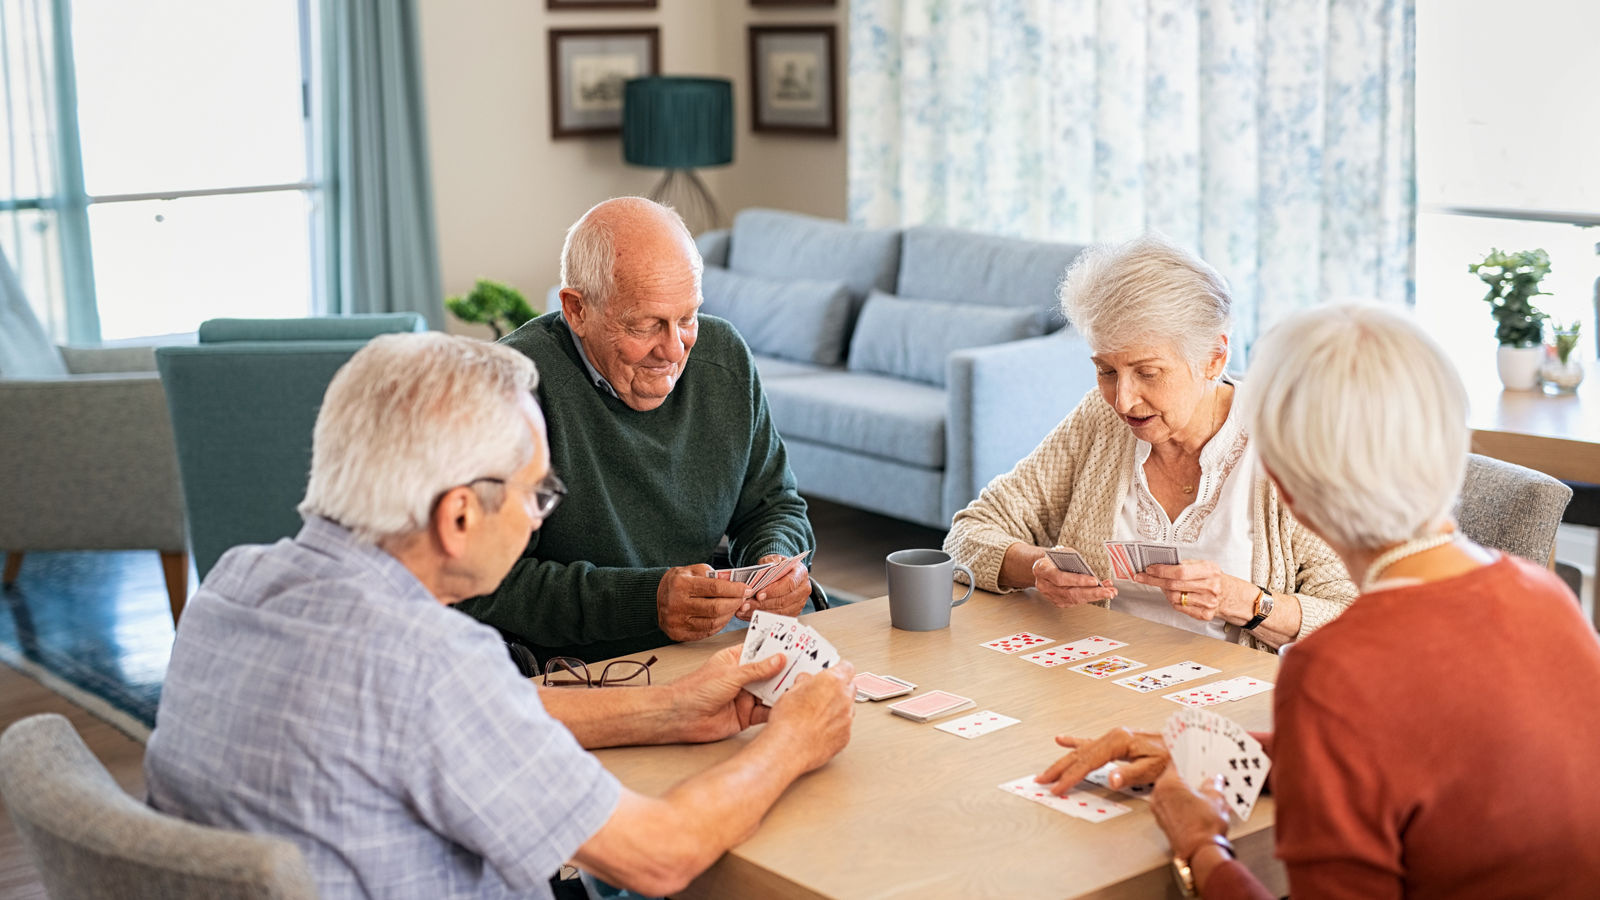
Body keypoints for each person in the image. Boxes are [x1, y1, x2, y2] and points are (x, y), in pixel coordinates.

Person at [144, 333, 856, 899]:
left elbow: (470, 718)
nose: (538, 511)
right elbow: (661, 855)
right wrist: (793, 740)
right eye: (535, 493)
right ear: (458, 515)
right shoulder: (430, 660)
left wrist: (668, 710)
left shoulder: (232, 583)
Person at [1035, 304, 1600, 898]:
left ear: (1284, 487)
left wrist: (1200, 847)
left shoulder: (1336, 668)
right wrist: (1212, 748)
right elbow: (1413, 753)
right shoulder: (1546, 595)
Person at [943, 235, 1354, 650]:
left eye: (1148, 372)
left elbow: (1354, 616)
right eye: (1106, 370)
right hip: (1097, 679)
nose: (1123, 400)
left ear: (1215, 357)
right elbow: (966, 536)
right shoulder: (1102, 421)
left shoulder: (1288, 440)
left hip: (1231, 699)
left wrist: (1245, 602)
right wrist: (1034, 567)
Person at [457, 197, 815, 663]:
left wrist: (775, 561)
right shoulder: (509, 390)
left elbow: (775, 504)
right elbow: (483, 584)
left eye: (687, 318)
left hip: (706, 650)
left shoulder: (723, 357)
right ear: (576, 310)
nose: (673, 349)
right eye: (646, 325)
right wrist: (645, 603)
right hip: (567, 672)